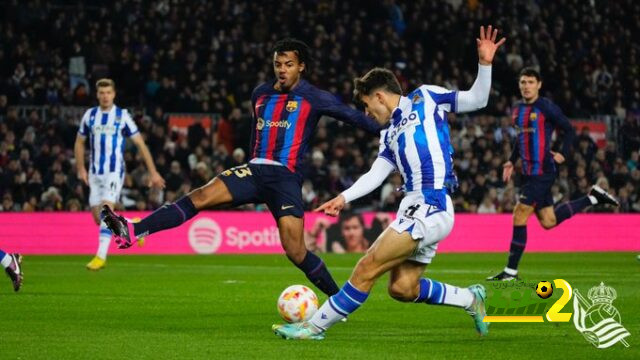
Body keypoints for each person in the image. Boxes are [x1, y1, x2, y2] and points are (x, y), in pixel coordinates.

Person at [272, 25, 505, 340]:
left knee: (367, 266)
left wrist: (485, 64)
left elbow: (477, 99)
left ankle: (312, 327)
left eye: (368, 105)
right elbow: (376, 173)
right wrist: (344, 197)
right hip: (413, 206)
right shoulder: (388, 134)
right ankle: (471, 298)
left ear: (379, 95)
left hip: (432, 202)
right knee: (402, 288)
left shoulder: (427, 97)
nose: (368, 113)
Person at [102, 39, 380, 297]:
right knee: (199, 196)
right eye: (278, 64)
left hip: (285, 177)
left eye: (289, 64)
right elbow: (255, 136)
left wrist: (392, 125)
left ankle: (338, 301)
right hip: (254, 170)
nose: (282, 70)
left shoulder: (315, 97)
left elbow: (356, 118)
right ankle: (133, 231)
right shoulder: (259, 94)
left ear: (302, 67)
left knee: (295, 251)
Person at [487, 68, 619, 281]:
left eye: (530, 82)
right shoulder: (517, 109)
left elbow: (569, 130)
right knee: (548, 221)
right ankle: (593, 197)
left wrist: (563, 154)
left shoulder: (546, 107)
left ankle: (510, 271)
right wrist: (511, 161)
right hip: (529, 173)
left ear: (538, 84)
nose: (526, 86)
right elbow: (520, 139)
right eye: (523, 82)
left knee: (519, 213)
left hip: (543, 171)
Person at [75, 78, 165, 271]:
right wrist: (80, 168)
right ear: (97, 94)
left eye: (108, 92)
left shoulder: (122, 116)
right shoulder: (90, 116)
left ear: (114, 94)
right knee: (98, 219)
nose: (105, 96)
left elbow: (140, 144)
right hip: (94, 173)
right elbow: (79, 142)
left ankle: (100, 257)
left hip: (114, 171)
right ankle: (134, 225)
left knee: (106, 211)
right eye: (101, 93)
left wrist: (153, 172)